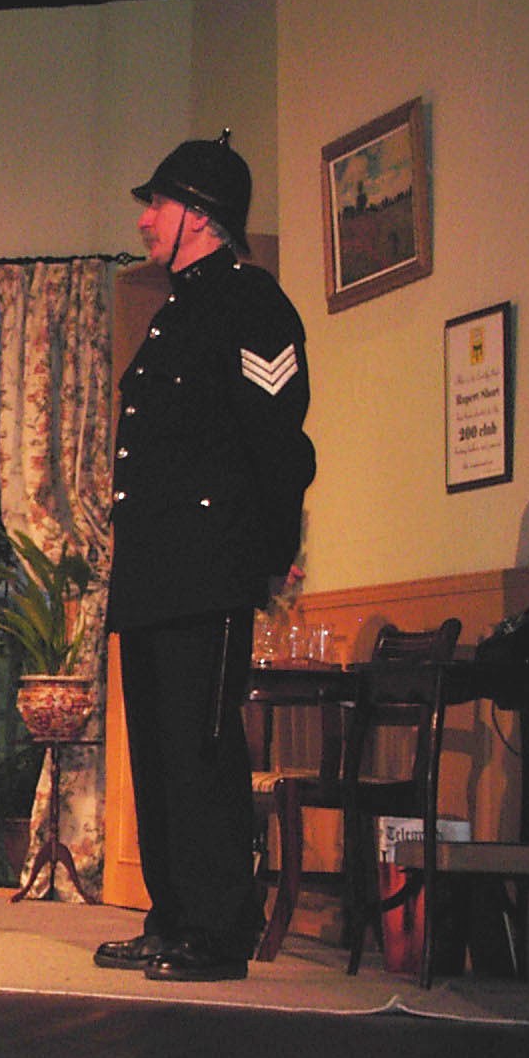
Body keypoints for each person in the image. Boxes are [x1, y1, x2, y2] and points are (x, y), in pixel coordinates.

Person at [99, 133, 316, 981]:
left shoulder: (251, 303)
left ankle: (220, 931)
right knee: (158, 752)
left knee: (202, 749)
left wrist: (272, 552)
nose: (146, 220)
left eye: (157, 204)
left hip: (210, 564)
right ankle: (174, 916)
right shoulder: (174, 311)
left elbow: (279, 442)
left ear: (199, 214)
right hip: (155, 567)